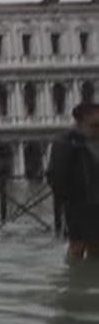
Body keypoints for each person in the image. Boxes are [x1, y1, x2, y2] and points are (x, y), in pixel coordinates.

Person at [47, 102, 99, 261]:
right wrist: (67, 199)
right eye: (95, 125)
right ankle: (73, 274)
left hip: (96, 202)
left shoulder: (95, 141)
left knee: (96, 247)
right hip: (78, 205)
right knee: (77, 247)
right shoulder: (66, 142)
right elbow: (56, 174)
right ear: (81, 121)